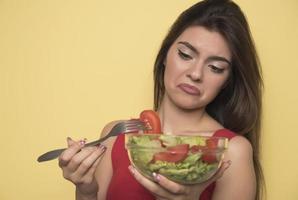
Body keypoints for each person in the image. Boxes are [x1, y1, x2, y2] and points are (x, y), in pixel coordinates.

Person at [58, 0, 264, 199]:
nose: (195, 74)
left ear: (227, 80)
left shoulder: (232, 151)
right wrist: (86, 192)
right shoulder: (115, 136)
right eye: (185, 55)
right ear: (165, 55)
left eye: (215, 68)